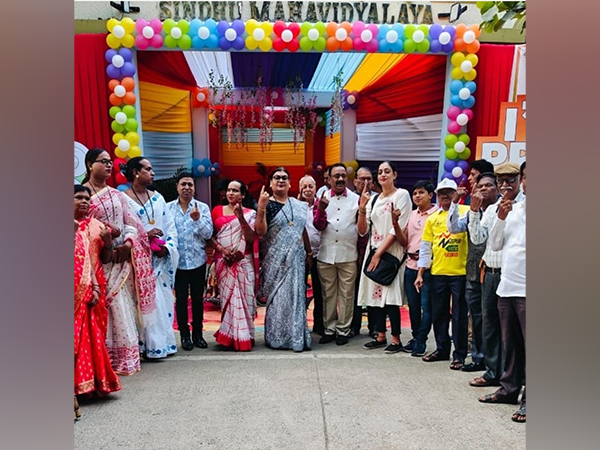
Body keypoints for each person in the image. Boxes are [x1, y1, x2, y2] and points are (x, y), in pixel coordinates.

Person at [82, 149, 156, 375]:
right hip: (96, 262)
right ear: (89, 164)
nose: (108, 166)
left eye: (110, 162)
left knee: (122, 307)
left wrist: (128, 244)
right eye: (102, 162)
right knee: (102, 307)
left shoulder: (117, 195)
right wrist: (105, 245)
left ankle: (125, 360)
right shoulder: (81, 194)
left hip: (121, 262)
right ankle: (101, 360)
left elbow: (131, 223)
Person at [467, 162, 526, 388]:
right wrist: (473, 211)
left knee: (515, 332)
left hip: (515, 275)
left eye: (510, 179)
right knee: (490, 325)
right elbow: (479, 239)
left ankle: (515, 378)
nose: (505, 185)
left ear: (520, 181)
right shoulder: (492, 209)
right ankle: (493, 372)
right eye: (501, 181)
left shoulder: (523, 206)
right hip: (491, 275)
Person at [123, 157, 179, 359]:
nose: (153, 172)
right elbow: (123, 231)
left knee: (162, 301)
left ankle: (163, 344)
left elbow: (170, 226)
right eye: (148, 169)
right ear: (136, 172)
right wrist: (145, 237)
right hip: (138, 261)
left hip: (160, 260)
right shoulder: (124, 199)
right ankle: (145, 346)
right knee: (142, 302)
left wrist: (167, 248)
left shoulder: (158, 198)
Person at [74, 185, 122, 419]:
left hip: (96, 285)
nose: (84, 202)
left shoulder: (97, 226)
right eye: (78, 198)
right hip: (72, 287)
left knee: (94, 336)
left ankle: (93, 384)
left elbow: (106, 258)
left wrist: (108, 242)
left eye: (86, 198)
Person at [447, 171, 500, 372]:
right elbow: (453, 228)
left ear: (497, 189)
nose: (483, 189)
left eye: (488, 185)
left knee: (493, 318)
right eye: (480, 187)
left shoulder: (501, 210)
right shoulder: (471, 211)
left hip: (495, 273)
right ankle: (479, 358)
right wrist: (455, 202)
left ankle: (495, 361)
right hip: (473, 273)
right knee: (476, 317)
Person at [255, 167, 312, 352]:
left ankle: (296, 337)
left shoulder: (299, 205)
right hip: (276, 262)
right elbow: (261, 231)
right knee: (279, 299)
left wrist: (309, 252)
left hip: (297, 260)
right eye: (276, 178)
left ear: (289, 183)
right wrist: (261, 207)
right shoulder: (267, 204)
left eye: (284, 178)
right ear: (270, 183)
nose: (280, 180)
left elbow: (302, 230)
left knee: (296, 296)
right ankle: (277, 337)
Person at [357, 161, 412, 353]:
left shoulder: (402, 195)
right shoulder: (373, 199)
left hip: (391, 252)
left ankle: (396, 339)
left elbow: (398, 227)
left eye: (387, 171)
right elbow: (363, 231)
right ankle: (380, 335)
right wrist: (362, 208)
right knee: (374, 296)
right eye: (380, 172)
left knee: (391, 297)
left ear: (395, 175)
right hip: (373, 251)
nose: (383, 175)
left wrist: (380, 253)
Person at [416, 178, 469, 369]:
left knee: (459, 315)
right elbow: (425, 247)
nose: (445, 196)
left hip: (460, 272)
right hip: (438, 272)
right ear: (436, 196)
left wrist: (456, 204)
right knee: (438, 313)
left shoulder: (466, 212)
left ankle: (460, 354)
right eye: (441, 193)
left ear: (456, 193)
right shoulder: (433, 218)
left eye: (449, 192)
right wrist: (420, 273)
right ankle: (442, 349)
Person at [313, 164, 360, 346]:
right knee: (328, 294)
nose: (340, 179)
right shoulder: (321, 198)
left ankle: (343, 330)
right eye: (336, 176)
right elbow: (318, 225)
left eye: (343, 175)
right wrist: (322, 209)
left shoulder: (356, 199)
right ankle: (329, 329)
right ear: (329, 179)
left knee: (347, 294)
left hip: (348, 254)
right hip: (326, 255)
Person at [167, 172, 213, 351]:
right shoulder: (168, 208)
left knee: (197, 300)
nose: (187, 188)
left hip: (198, 262)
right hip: (177, 264)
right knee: (180, 301)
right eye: (183, 184)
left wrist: (198, 220)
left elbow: (208, 234)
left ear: (194, 188)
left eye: (190, 185)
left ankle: (198, 335)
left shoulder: (202, 208)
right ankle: (184, 336)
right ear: (177, 186)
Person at [211, 180, 257, 351]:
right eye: (229, 190)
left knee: (244, 298)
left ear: (243, 195)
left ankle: (245, 336)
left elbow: (251, 237)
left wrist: (240, 218)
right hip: (224, 262)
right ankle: (229, 336)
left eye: (235, 190)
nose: (230, 193)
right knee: (228, 300)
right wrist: (222, 251)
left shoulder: (250, 213)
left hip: (243, 261)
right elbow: (210, 235)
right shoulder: (216, 211)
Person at [399, 180, 438, 356]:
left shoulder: (437, 213)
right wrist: (394, 222)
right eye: (414, 193)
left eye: (421, 192)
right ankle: (415, 337)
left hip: (429, 267)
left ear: (430, 195)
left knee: (426, 307)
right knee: (412, 306)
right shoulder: (412, 214)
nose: (417, 196)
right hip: (410, 265)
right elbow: (405, 239)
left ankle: (422, 340)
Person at [350, 167, 378, 338]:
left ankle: (374, 327)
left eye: (368, 179)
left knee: (373, 288)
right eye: (361, 179)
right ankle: (353, 326)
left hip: (373, 249)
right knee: (353, 290)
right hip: (353, 250)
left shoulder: (378, 200)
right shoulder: (350, 199)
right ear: (355, 181)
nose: (365, 182)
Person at [299, 175, 324, 336]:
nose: (308, 190)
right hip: (300, 255)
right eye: (305, 187)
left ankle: (320, 326)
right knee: (300, 291)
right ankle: (300, 325)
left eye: (311, 186)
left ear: (316, 188)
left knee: (320, 292)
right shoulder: (296, 206)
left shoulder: (321, 204)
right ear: (300, 189)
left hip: (320, 253)